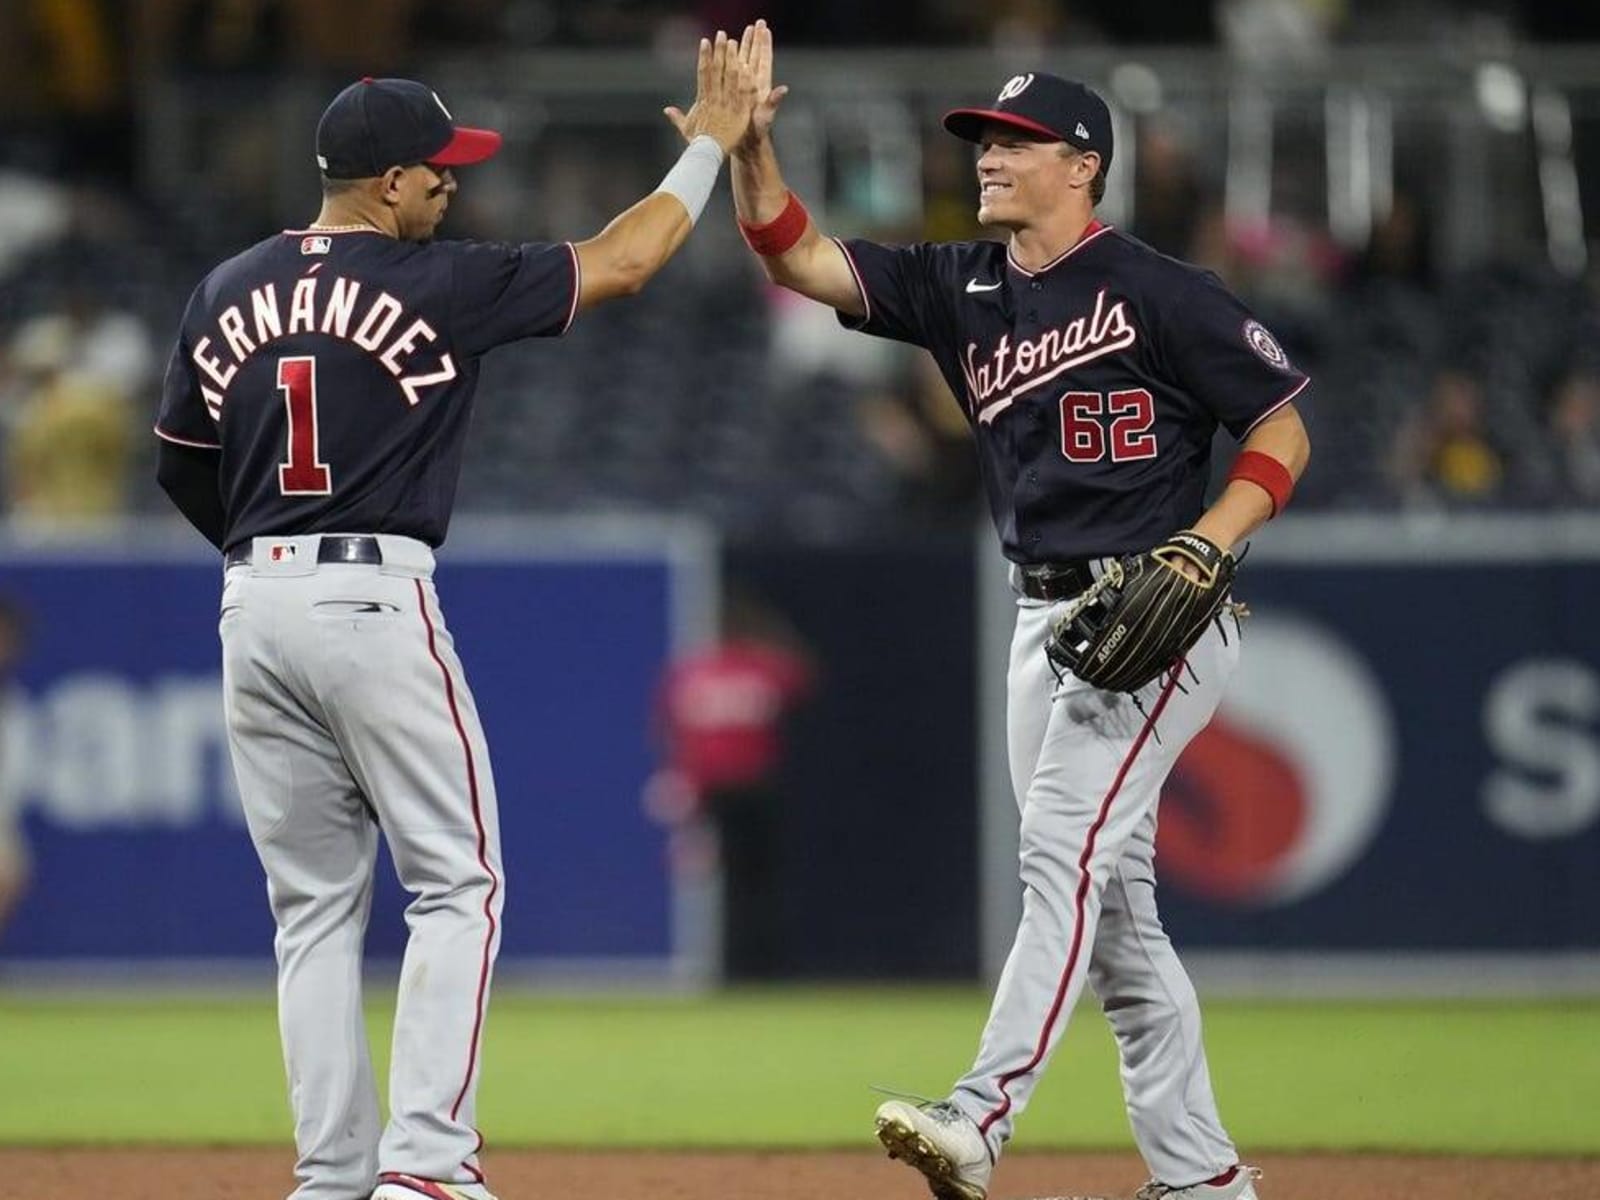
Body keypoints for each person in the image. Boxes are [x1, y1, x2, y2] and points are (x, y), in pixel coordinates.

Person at [154, 46, 757, 1200]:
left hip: (252, 595)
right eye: (437, 169)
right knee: (459, 882)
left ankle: (332, 1176)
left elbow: (182, 464)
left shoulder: (224, 288)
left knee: (312, 914)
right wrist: (707, 148)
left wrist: (263, 549)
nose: (452, 185)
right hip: (371, 589)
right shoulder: (434, 280)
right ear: (384, 182)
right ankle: (427, 1166)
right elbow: (629, 260)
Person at [727, 25, 1309, 1200]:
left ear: (1082, 164)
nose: (987, 155)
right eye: (983, 139)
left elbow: (1284, 420)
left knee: (1057, 853)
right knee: (1118, 924)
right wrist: (751, 146)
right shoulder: (959, 285)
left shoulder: (1160, 290)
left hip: (1160, 609)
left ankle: (979, 1115)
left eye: (1015, 140)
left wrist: (1212, 535)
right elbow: (798, 259)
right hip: (1040, 625)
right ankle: (1202, 1183)